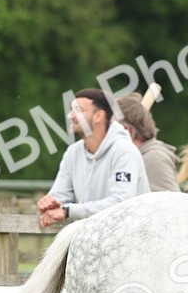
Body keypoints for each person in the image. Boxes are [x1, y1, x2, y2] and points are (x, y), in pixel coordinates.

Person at [36, 88, 150, 228]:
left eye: (78, 110)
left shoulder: (124, 152)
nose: (70, 116)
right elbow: (60, 195)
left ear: (98, 116)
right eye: (71, 110)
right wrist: (51, 204)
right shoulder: (73, 152)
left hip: (132, 241)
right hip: (92, 241)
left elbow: (120, 204)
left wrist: (68, 211)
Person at [117, 92, 180, 192]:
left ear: (127, 131)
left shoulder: (154, 158)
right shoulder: (134, 157)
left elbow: (173, 204)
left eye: (110, 129)